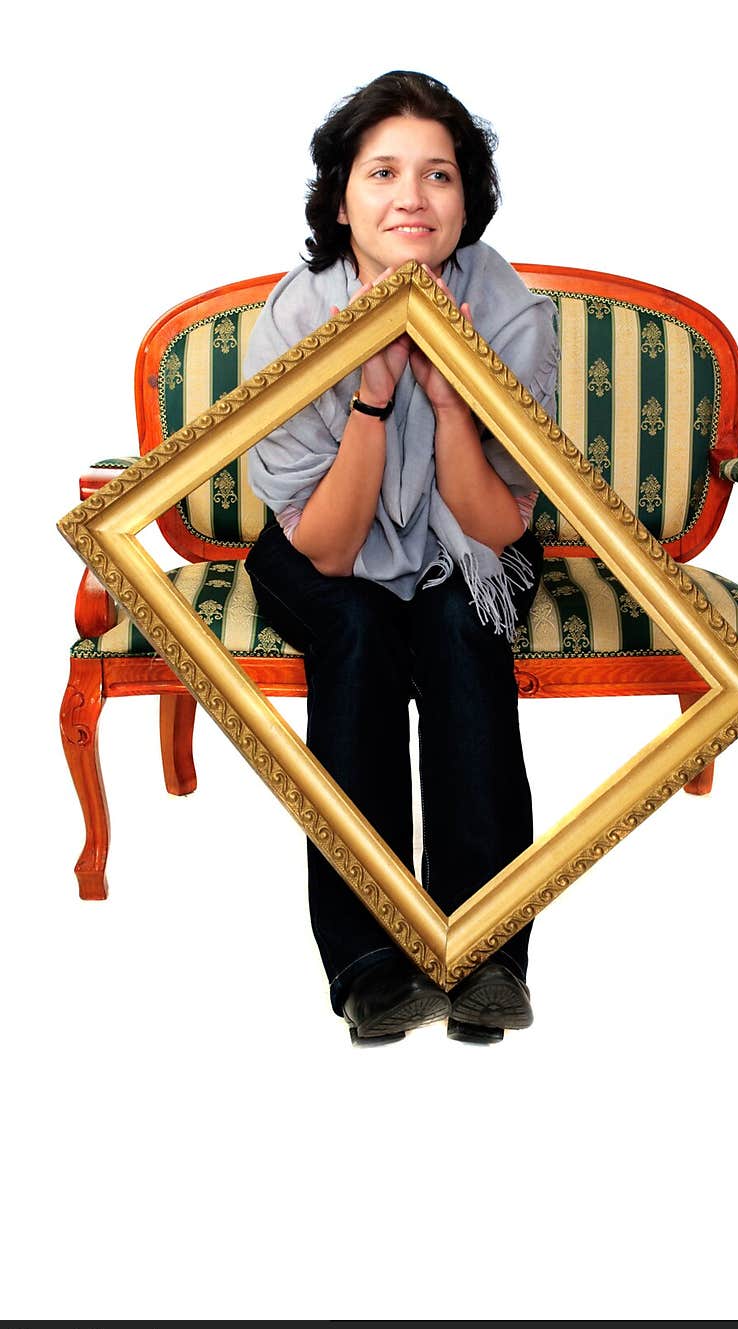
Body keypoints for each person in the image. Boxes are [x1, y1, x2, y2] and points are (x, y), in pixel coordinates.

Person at [243, 70, 558, 1046]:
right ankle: (371, 961)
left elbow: (500, 528)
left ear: (469, 199)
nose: (411, 198)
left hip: (463, 540)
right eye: (382, 173)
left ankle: (486, 954)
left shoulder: (500, 300)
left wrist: (455, 392)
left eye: (439, 175)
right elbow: (328, 551)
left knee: (466, 630)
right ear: (341, 200)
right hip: (319, 545)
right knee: (358, 630)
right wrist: (374, 398)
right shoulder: (297, 316)